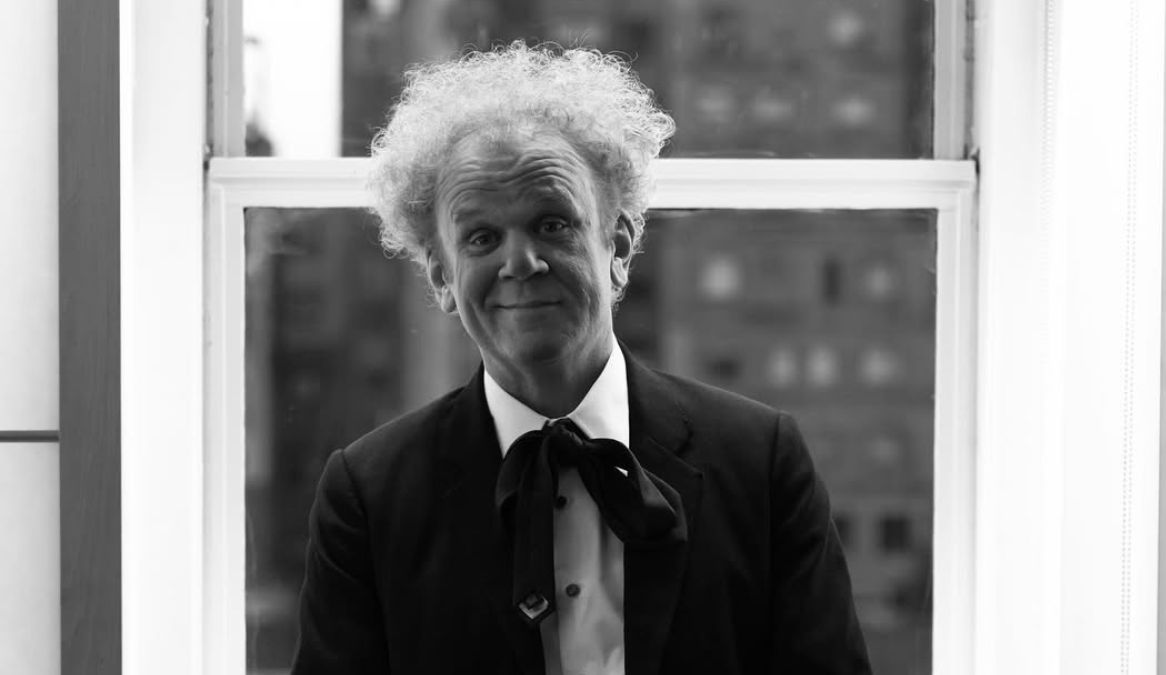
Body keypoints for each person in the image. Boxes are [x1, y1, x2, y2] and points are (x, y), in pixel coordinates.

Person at [292, 42, 871, 675]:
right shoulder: (367, 495)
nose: (520, 262)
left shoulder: (763, 461)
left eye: (553, 223)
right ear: (440, 276)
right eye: (482, 238)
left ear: (618, 244)